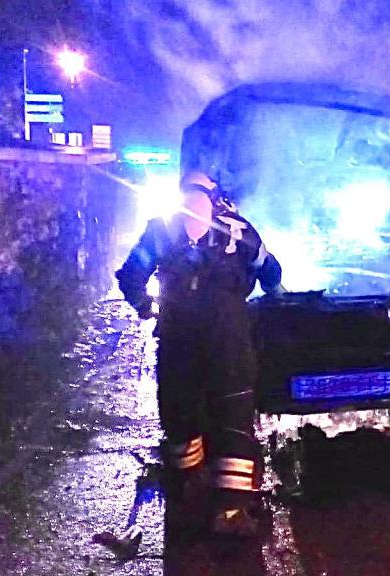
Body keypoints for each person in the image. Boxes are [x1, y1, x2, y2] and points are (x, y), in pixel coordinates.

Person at [115, 170, 282, 537]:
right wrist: (276, 295)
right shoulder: (238, 230)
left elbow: (129, 276)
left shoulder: (161, 228)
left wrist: (146, 306)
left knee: (180, 410)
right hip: (229, 338)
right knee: (234, 415)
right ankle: (231, 512)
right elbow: (271, 272)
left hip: (177, 335)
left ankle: (188, 487)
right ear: (216, 196)